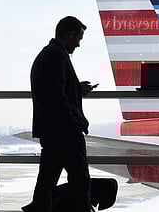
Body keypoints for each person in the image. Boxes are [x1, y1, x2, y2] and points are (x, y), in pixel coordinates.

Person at [23, 16, 96, 212]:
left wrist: (76, 89)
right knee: (80, 183)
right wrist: (74, 123)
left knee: (46, 184)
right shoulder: (57, 56)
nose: (79, 45)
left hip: (52, 132)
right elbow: (57, 98)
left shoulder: (48, 55)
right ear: (70, 35)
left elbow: (54, 90)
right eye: (79, 39)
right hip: (65, 133)